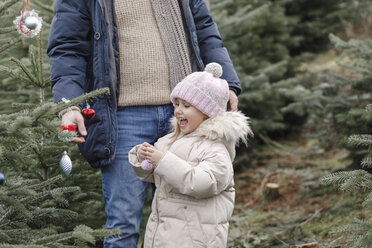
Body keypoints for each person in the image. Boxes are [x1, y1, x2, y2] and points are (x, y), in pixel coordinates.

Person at [47, 1, 241, 247]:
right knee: (122, 227)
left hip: (184, 116)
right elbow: (67, 48)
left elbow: (205, 31)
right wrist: (70, 104)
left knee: (187, 222)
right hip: (124, 119)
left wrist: (228, 85)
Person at [128, 63, 252, 248]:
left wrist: (162, 160)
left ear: (206, 113)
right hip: (164, 234)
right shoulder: (170, 140)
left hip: (195, 238)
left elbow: (202, 183)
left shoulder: (215, 147)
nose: (178, 110)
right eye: (177, 104)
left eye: (186, 105)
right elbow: (156, 176)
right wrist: (143, 159)